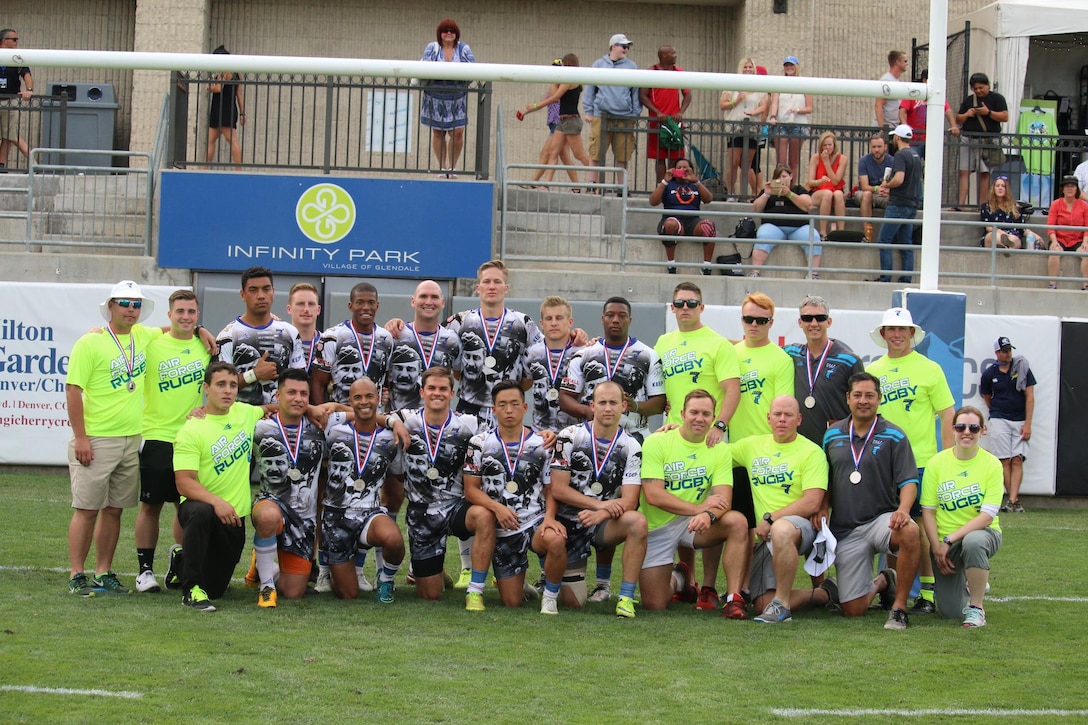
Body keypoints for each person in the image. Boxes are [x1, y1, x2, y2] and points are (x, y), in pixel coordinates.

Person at [559, 296, 665, 602]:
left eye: (621, 315)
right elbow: (566, 395)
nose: (615, 320)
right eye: (610, 315)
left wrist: (632, 405)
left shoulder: (647, 354)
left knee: (624, 511)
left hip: (633, 442)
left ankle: (611, 584)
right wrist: (589, 414)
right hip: (592, 442)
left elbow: (658, 402)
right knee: (595, 500)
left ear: (629, 320)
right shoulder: (585, 354)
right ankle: (576, 579)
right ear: (602, 319)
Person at [65, 281, 163, 597]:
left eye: (136, 304)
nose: (131, 309)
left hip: (131, 438)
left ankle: (103, 571)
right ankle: (76, 574)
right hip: (96, 438)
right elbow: (73, 390)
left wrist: (201, 330)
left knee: (115, 509)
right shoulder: (89, 343)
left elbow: (176, 329)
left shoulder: (143, 336)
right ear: (111, 305)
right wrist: (81, 438)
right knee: (87, 508)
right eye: (124, 303)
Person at [654, 282, 741, 608]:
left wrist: (719, 424)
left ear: (702, 307)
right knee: (681, 503)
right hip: (678, 434)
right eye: (680, 303)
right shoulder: (664, 342)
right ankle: (687, 579)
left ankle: (707, 586)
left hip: (709, 438)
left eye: (692, 302)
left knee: (713, 511)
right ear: (672, 307)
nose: (686, 308)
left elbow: (732, 390)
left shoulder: (717, 343)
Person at [866, 307, 955, 615]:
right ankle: (892, 590)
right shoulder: (874, 371)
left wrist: (948, 457)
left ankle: (927, 596)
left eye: (903, 329)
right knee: (892, 530)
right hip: (882, 465)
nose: (897, 334)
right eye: (891, 329)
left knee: (920, 529)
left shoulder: (930, 369)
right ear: (883, 334)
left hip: (922, 462)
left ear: (912, 334)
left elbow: (947, 415)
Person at [388, 367, 497, 610]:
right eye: (432, 388)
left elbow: (500, 439)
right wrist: (392, 421)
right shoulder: (406, 419)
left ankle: (476, 589)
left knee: (484, 516)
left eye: (443, 389)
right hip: (421, 512)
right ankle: (437, 572)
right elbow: (378, 418)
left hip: (455, 506)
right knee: (430, 595)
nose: (437, 393)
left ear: (452, 393)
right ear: (422, 392)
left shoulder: (470, 424)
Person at [823, 372, 920, 630]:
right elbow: (826, 481)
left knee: (910, 531)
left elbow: (909, 480)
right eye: (857, 395)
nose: (863, 401)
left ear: (879, 399)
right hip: (846, 529)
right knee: (853, 611)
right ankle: (884, 580)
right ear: (847, 398)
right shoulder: (831, 435)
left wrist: (903, 510)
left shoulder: (894, 435)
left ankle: (899, 608)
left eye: (869, 395)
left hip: (882, 521)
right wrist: (821, 511)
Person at [638, 389, 749, 613]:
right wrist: (699, 508)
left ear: (714, 417)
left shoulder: (719, 449)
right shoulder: (657, 442)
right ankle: (681, 579)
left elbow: (724, 499)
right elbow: (653, 495)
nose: (700, 418)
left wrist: (708, 515)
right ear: (682, 413)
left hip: (692, 525)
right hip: (658, 527)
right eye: (694, 412)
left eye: (706, 414)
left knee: (737, 521)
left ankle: (733, 599)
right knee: (654, 604)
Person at [173, 361, 266, 611]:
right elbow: (183, 482)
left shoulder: (245, 413)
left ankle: (181, 562)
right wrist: (217, 502)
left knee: (216, 589)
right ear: (206, 388)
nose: (228, 391)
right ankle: (190, 589)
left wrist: (317, 410)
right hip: (201, 509)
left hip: (233, 518)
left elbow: (283, 408)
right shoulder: (192, 429)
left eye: (233, 385)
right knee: (202, 511)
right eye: (220, 385)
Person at [550, 381, 647, 618]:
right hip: (569, 522)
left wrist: (602, 513)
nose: (607, 408)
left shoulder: (632, 445)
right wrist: (599, 505)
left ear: (624, 406)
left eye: (613, 403)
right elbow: (559, 490)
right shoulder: (569, 436)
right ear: (592, 406)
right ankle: (550, 575)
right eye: (602, 402)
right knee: (573, 602)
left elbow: (631, 501)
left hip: (602, 522)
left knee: (637, 521)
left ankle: (625, 598)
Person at [134, 290, 210, 593]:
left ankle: (179, 561)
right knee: (150, 506)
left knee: (186, 505)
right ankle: (144, 571)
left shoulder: (206, 347)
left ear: (198, 315)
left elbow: (223, 382)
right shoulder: (151, 343)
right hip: (156, 436)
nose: (186, 317)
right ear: (169, 315)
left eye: (192, 312)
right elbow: (120, 335)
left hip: (190, 438)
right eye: (180, 311)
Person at [732, 396, 832, 623]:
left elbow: (812, 502)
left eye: (788, 415)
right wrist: (675, 431)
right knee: (760, 605)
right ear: (768, 418)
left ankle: (782, 605)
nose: (782, 420)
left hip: (803, 528)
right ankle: (823, 594)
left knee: (782, 529)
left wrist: (771, 518)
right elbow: (712, 452)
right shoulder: (751, 446)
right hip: (767, 535)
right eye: (777, 414)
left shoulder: (811, 452)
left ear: (799, 419)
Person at [464, 381, 563, 610]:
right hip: (503, 526)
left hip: (534, 522)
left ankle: (550, 597)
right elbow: (471, 489)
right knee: (511, 602)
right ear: (494, 409)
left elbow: (550, 489)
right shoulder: (479, 443)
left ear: (525, 408)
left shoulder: (543, 444)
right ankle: (515, 582)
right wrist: (497, 508)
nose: (509, 410)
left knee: (556, 539)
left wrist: (550, 518)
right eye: (503, 405)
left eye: (515, 404)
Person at [322, 377, 407, 603]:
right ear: (350, 401)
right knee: (348, 594)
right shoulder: (334, 430)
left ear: (378, 398)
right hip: (336, 516)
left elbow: (398, 476)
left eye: (369, 396)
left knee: (394, 540)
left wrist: (393, 423)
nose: (364, 402)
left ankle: (386, 579)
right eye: (357, 397)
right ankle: (332, 565)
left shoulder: (391, 439)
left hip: (369, 513)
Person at [249, 369, 327, 607]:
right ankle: (266, 587)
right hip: (271, 505)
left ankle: (262, 564)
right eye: (291, 392)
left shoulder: (320, 426)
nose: (298, 398)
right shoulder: (259, 427)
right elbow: (225, 414)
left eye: (304, 393)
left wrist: (390, 421)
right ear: (277, 394)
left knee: (294, 592)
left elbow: (357, 412)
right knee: (268, 516)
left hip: (303, 520)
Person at [921, 406, 1003, 627]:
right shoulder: (936, 463)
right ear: (953, 429)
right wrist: (936, 545)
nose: (967, 432)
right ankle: (972, 579)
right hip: (945, 544)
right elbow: (928, 510)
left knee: (973, 541)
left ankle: (977, 607)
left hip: (983, 534)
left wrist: (949, 540)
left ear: (983, 430)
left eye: (973, 427)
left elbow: (987, 516)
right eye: (961, 427)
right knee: (951, 612)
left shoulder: (992, 464)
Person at [729, 293, 796, 559]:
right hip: (734, 452)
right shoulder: (730, 354)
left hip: (766, 453)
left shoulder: (781, 359)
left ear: (771, 322)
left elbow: (783, 407)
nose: (754, 325)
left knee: (764, 526)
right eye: (748, 319)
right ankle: (737, 587)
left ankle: (758, 586)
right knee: (739, 525)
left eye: (761, 320)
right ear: (742, 320)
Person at [215, 266, 305, 406]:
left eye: (266, 289)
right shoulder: (227, 336)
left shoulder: (290, 332)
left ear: (273, 292)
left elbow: (300, 384)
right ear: (242, 295)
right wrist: (254, 374)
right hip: (242, 421)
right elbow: (219, 386)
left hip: (280, 421)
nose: (261, 295)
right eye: (253, 290)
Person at [783, 295, 865, 446]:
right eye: (807, 318)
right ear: (800, 322)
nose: (814, 323)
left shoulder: (849, 360)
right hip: (800, 446)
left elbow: (862, 404)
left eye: (820, 318)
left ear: (829, 321)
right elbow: (761, 348)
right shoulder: (791, 353)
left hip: (837, 444)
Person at [312, 282, 394, 405]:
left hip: (374, 416)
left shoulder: (386, 338)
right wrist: (321, 415)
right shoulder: (332, 337)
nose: (366, 307)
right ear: (350, 306)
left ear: (377, 306)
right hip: (341, 416)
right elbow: (318, 383)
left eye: (371, 303)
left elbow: (387, 381)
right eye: (360, 302)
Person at [980, 336, 1035, 513]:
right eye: (1004, 351)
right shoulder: (989, 373)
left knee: (1017, 459)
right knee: (1004, 460)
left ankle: (1012, 499)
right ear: (997, 353)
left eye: (1010, 350)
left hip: (1019, 419)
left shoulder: (1022, 368)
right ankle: (1014, 500)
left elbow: (1030, 396)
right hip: (999, 418)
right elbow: (987, 396)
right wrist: (996, 413)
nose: (1008, 354)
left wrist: (1028, 423)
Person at [388, 280, 461, 412]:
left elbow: (459, 374)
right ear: (413, 301)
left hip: (437, 424)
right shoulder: (395, 335)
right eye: (423, 296)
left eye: (434, 297)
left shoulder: (452, 340)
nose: (428, 302)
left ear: (443, 303)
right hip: (398, 423)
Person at [519, 56, 589, 188]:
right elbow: (552, 97)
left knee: (578, 154)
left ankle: (595, 181)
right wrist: (529, 110)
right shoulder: (563, 81)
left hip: (570, 120)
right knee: (553, 152)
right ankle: (546, 184)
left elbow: (555, 97)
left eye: (561, 66)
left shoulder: (569, 79)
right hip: (561, 122)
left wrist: (533, 106)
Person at [583, 33, 641, 187]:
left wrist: (635, 114)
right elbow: (589, 89)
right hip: (601, 115)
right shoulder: (598, 65)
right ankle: (592, 183)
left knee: (622, 154)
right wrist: (589, 111)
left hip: (624, 116)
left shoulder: (632, 66)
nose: (626, 49)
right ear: (613, 46)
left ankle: (622, 187)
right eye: (623, 46)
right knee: (596, 151)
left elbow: (635, 91)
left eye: (628, 47)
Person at [420, 18, 474, 176]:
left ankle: (452, 167)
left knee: (458, 132)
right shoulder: (433, 47)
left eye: (452, 31)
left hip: (457, 97)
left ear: (456, 34)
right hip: (435, 95)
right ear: (440, 34)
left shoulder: (464, 48)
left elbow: (473, 67)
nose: (449, 33)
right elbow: (424, 65)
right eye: (445, 30)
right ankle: (442, 168)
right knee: (438, 132)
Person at [648, 157, 716, 275]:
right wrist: (664, 181)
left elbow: (708, 199)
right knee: (670, 224)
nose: (682, 170)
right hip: (672, 219)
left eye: (685, 168)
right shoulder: (669, 185)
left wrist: (696, 181)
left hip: (693, 221)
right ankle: (671, 264)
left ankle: (707, 266)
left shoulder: (695, 185)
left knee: (708, 226)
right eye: (679, 168)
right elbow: (653, 201)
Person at [526, 296, 582, 434]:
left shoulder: (583, 353)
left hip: (573, 434)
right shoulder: (532, 353)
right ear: (542, 323)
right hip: (539, 434)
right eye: (549, 318)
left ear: (570, 322)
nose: (554, 323)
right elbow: (524, 383)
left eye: (559, 318)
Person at [750, 164, 818, 276]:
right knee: (763, 235)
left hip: (799, 228)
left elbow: (808, 206)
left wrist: (789, 194)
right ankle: (755, 272)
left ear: (791, 177)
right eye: (778, 177)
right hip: (773, 227)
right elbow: (756, 208)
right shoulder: (768, 191)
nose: (781, 179)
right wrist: (766, 194)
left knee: (814, 237)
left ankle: (813, 274)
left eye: (784, 176)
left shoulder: (799, 190)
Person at [874, 125, 922, 283]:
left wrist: (886, 185)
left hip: (898, 204)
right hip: (911, 204)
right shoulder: (915, 155)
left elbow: (899, 179)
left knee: (884, 240)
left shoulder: (901, 155)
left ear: (897, 138)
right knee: (905, 242)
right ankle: (906, 278)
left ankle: (885, 277)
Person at [955, 72, 1009, 208]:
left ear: (988, 86)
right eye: (975, 88)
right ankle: (960, 204)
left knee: (984, 173)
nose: (978, 91)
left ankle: (982, 205)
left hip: (987, 141)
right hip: (968, 139)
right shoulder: (969, 100)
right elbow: (958, 119)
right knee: (964, 171)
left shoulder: (997, 98)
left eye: (981, 87)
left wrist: (988, 113)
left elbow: (1004, 116)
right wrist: (967, 114)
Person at [639, 45, 692, 181]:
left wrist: (680, 112)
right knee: (659, 156)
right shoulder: (652, 72)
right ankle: (662, 186)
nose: (675, 55)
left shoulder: (679, 72)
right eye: (672, 53)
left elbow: (688, 95)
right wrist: (657, 112)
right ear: (664, 56)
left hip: (674, 121)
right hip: (657, 121)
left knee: (675, 156)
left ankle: (673, 184)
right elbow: (643, 96)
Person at [719, 58, 768, 198]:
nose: (748, 69)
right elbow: (723, 104)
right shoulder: (732, 85)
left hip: (751, 129)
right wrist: (736, 101)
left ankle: (743, 194)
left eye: (750, 67)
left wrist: (755, 112)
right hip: (735, 128)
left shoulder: (760, 87)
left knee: (746, 165)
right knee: (734, 162)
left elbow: (764, 105)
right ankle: (730, 193)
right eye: (745, 67)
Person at [897, 68, 959, 159]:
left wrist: (954, 126)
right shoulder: (914, 93)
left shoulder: (937, 95)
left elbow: (947, 110)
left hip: (931, 140)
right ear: (924, 80)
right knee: (913, 163)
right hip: (914, 139)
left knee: (932, 166)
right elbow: (902, 111)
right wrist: (905, 126)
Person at [768, 56, 812, 179]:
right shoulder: (779, 83)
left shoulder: (805, 84)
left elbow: (809, 108)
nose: (789, 68)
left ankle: (790, 191)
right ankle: (778, 189)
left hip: (798, 124)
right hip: (781, 123)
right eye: (787, 66)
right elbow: (775, 102)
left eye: (791, 65)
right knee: (781, 162)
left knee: (793, 162)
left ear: (797, 67)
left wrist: (797, 110)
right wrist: (772, 116)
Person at [1045, 175, 1088, 290]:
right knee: (1054, 252)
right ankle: (1052, 284)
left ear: (1077, 189)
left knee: (1086, 253)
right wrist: (1054, 241)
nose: (1070, 189)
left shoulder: (1084, 205)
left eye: (1072, 186)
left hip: (1078, 239)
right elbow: (1050, 226)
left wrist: (1085, 242)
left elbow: (1087, 226)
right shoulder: (1055, 204)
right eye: (1067, 186)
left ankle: (1086, 285)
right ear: (1062, 189)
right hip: (1060, 239)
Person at [804, 130, 848, 241]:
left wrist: (827, 162)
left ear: (834, 145)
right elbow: (810, 181)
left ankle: (841, 232)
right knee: (827, 194)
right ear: (821, 146)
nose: (827, 147)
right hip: (819, 191)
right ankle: (823, 232)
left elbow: (835, 182)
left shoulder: (843, 159)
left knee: (838, 194)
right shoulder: (815, 157)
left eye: (830, 144)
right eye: (825, 145)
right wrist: (820, 181)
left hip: (835, 190)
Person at [206, 45, 246, 166]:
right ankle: (238, 169)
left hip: (220, 108)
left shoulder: (223, 71)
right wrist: (242, 113)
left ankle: (205, 168)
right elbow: (239, 94)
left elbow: (218, 88)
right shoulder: (236, 73)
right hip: (230, 108)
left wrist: (208, 87)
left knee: (214, 141)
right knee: (229, 140)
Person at [0, 29, 32, 170]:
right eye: (13, 39)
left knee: (10, 135)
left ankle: (1, 165)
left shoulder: (17, 57)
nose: (16, 42)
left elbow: (27, 74)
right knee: (12, 135)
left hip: (10, 99)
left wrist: (29, 90)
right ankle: (35, 164)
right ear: (3, 40)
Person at [853, 134, 895, 243]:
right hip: (865, 193)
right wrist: (877, 189)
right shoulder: (864, 160)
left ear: (885, 147)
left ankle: (890, 235)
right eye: (874, 147)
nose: (876, 150)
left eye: (879, 147)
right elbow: (865, 186)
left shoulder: (892, 161)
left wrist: (887, 190)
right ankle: (867, 233)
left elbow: (894, 183)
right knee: (867, 194)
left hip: (884, 193)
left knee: (893, 199)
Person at [285, 282, 322, 384]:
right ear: (289, 309)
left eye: (311, 304)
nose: (306, 309)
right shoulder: (280, 342)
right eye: (300, 304)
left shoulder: (328, 343)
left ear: (318, 310)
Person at [980, 176, 1025, 254]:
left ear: (1006, 189)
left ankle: (1005, 248)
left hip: (1011, 235)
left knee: (1015, 240)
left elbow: (1022, 227)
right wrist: (1002, 233)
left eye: (1003, 186)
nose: (1000, 188)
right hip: (994, 232)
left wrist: (1035, 235)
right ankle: (1004, 247)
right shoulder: (986, 207)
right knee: (994, 236)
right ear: (993, 189)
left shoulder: (1015, 207)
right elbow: (988, 227)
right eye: (997, 186)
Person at [875, 50, 908, 129]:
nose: (907, 63)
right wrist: (882, 129)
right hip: (886, 128)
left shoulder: (896, 81)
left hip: (894, 127)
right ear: (898, 62)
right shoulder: (886, 81)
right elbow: (878, 105)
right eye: (905, 61)